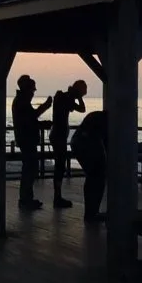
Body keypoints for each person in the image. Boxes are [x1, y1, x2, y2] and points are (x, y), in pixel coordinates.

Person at [11, 75, 52, 209]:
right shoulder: (21, 102)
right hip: (26, 139)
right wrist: (45, 107)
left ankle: (26, 198)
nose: (33, 93)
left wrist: (39, 123)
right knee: (29, 169)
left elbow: (29, 120)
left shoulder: (21, 101)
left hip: (25, 139)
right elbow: (30, 119)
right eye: (32, 90)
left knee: (29, 169)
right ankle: (25, 199)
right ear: (27, 89)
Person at [50, 79, 87, 208]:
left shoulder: (63, 97)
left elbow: (81, 109)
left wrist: (77, 96)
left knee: (60, 166)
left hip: (57, 135)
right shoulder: (65, 98)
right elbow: (82, 109)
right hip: (58, 136)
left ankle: (57, 196)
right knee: (60, 166)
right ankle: (57, 197)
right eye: (82, 93)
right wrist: (79, 98)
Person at [69, 109, 107, 222]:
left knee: (92, 177)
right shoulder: (107, 121)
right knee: (97, 178)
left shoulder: (97, 116)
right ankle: (92, 213)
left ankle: (90, 212)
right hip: (86, 143)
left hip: (78, 141)